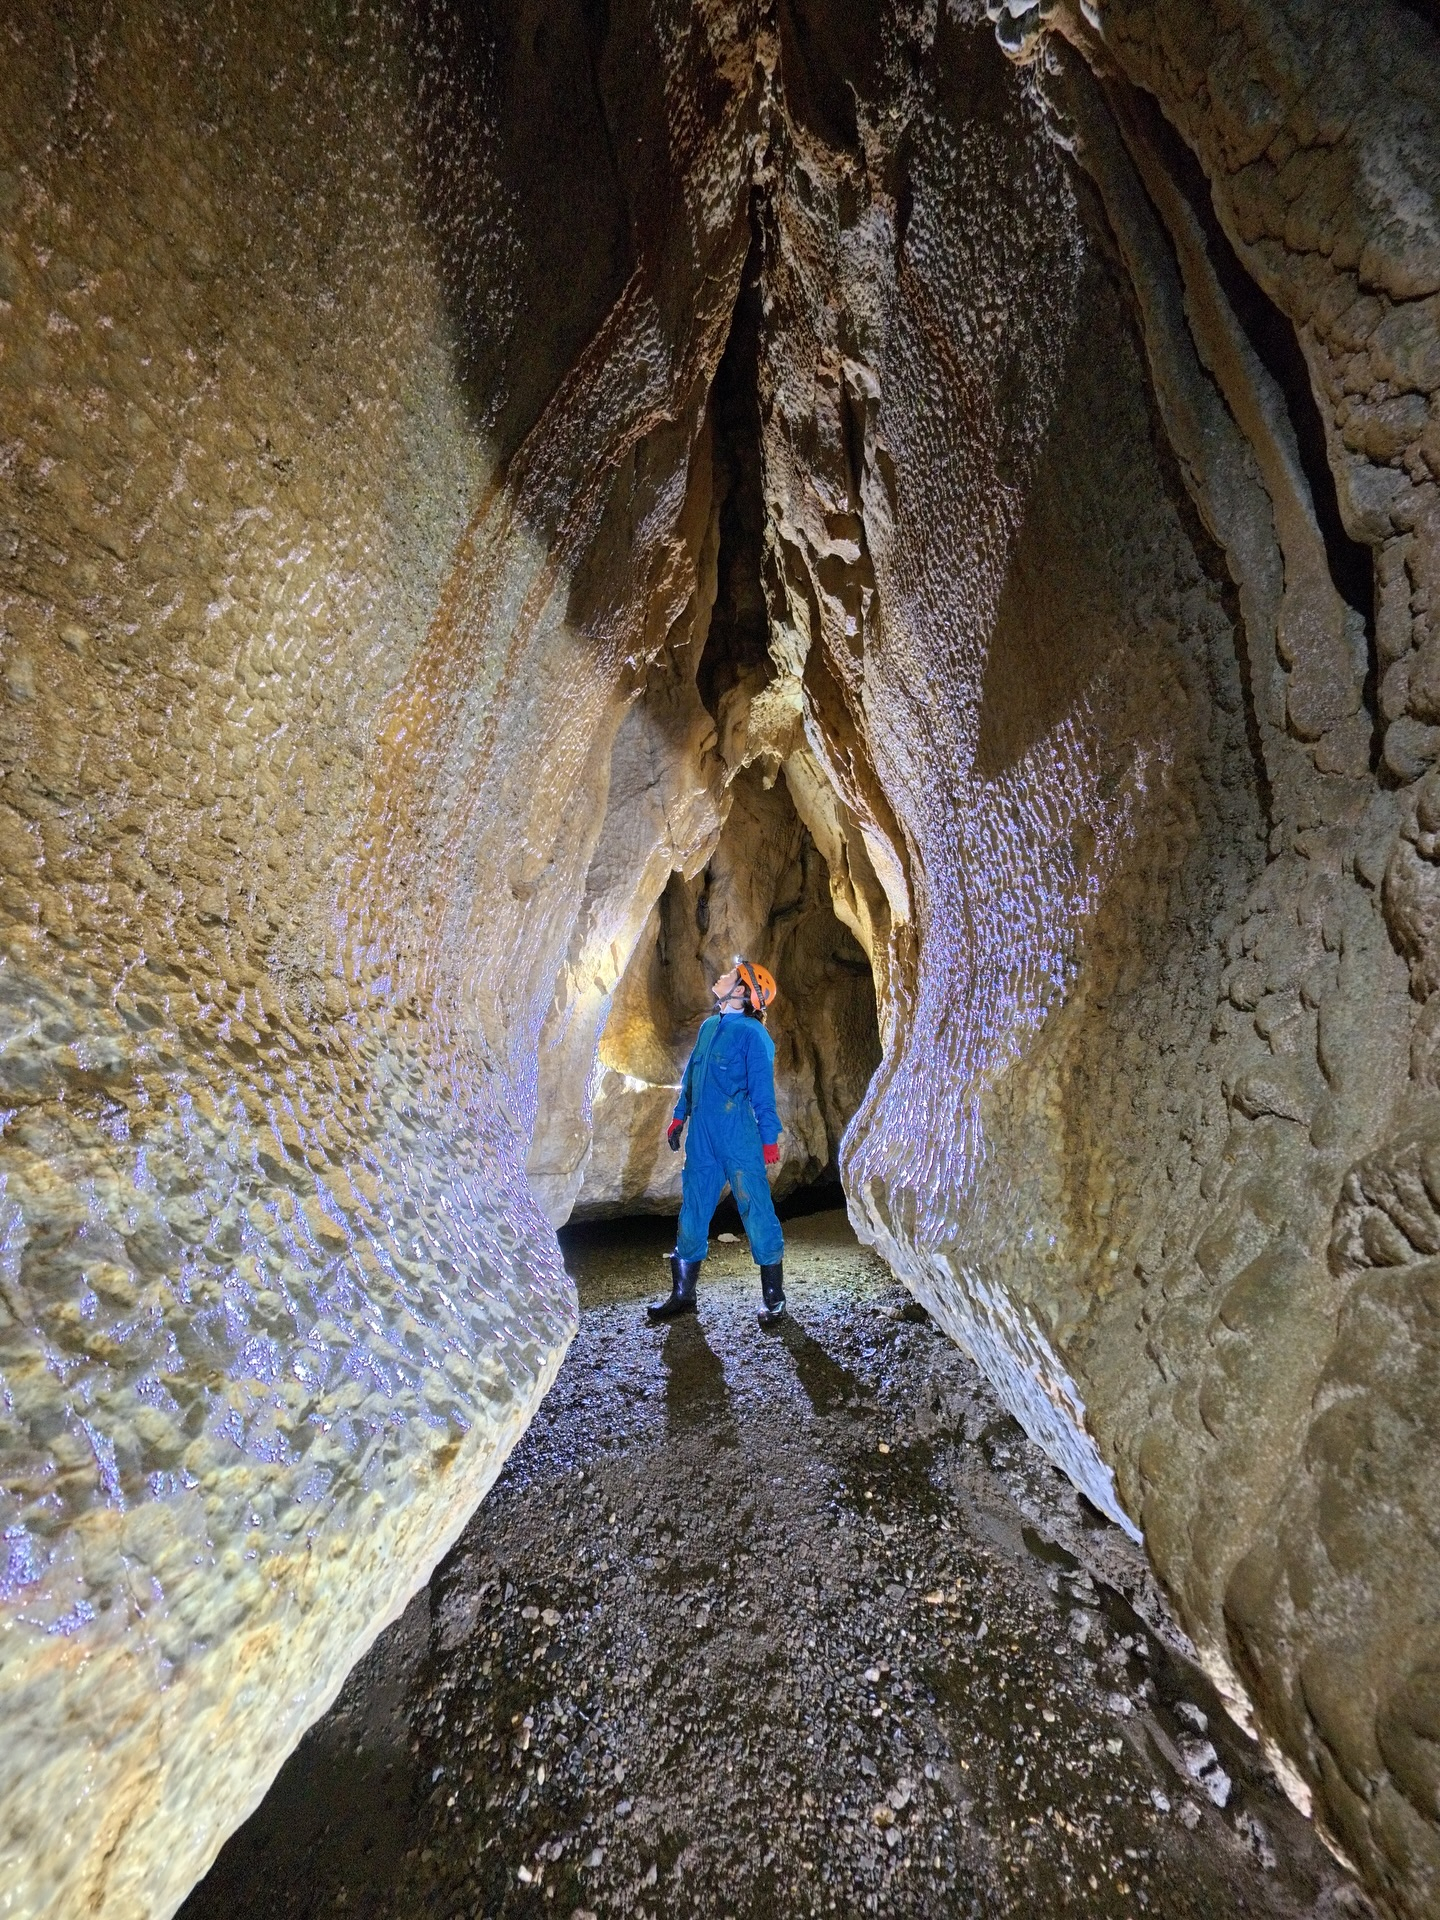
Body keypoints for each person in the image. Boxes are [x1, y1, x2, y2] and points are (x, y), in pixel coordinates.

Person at [648, 958, 787, 1328]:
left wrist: (768, 1139)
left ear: (740, 991)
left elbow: (763, 1093)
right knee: (693, 1210)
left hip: (738, 1135)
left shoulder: (754, 1035)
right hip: (703, 1138)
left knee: (756, 1209)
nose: (723, 975)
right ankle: (683, 1295)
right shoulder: (709, 1027)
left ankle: (774, 1298)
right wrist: (679, 1116)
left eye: (731, 974)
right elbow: (691, 1077)